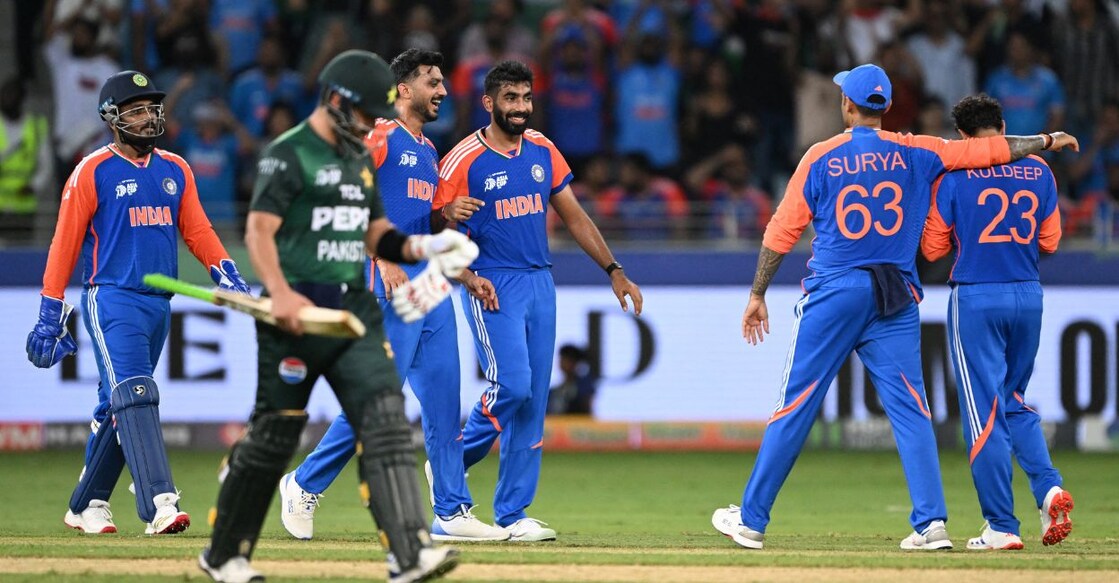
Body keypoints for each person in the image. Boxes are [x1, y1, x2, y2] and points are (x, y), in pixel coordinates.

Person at [709, 63, 1080, 551]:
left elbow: (781, 233)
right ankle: (931, 524)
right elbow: (991, 150)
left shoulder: (821, 156)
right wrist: (1048, 141)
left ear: (847, 105)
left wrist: (758, 293)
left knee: (796, 404)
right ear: (885, 107)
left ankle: (752, 521)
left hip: (835, 291)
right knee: (911, 409)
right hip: (895, 293)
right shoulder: (919, 151)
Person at [198, 50, 476, 583]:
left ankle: (409, 553)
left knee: (386, 419)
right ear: (336, 100)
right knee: (272, 439)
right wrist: (278, 294)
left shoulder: (356, 157)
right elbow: (259, 231)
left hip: (352, 307)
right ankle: (224, 556)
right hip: (297, 307)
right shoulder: (290, 153)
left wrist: (427, 248)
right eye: (368, 111)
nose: (376, 123)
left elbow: (376, 234)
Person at [276, 48, 508, 543]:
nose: (443, 91)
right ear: (404, 90)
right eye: (433, 82)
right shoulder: (379, 136)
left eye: (443, 82)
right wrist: (380, 260)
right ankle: (302, 483)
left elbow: (421, 226)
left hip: (428, 287)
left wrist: (464, 274)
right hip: (385, 285)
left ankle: (451, 510)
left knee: (445, 404)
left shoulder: (427, 152)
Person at [26, 70, 252, 536]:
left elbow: (198, 230)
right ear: (112, 118)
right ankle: (160, 504)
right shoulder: (92, 171)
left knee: (119, 405)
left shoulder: (175, 169)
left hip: (157, 304)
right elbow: (64, 246)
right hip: (110, 297)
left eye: (151, 109)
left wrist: (225, 270)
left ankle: (87, 504)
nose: (148, 118)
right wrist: (49, 313)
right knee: (136, 393)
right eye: (136, 110)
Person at [429, 60, 643, 542]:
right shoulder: (462, 160)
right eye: (511, 99)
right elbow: (432, 232)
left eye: (526, 98)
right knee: (514, 386)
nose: (521, 107)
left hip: (540, 282)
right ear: (488, 103)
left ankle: (512, 513)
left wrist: (614, 270)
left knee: (533, 403)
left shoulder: (543, 150)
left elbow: (575, 217)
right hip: (491, 282)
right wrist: (465, 276)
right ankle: (448, 467)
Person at [921, 94, 1074, 550]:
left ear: (963, 137)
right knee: (1012, 400)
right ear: (1004, 125)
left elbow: (931, 249)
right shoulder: (1040, 172)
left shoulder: (954, 175)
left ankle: (1002, 526)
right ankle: (1048, 489)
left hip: (975, 297)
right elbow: (1050, 241)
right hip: (1028, 294)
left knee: (982, 411)